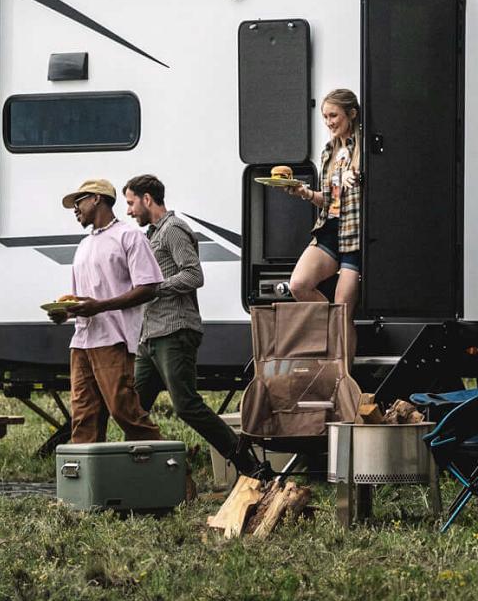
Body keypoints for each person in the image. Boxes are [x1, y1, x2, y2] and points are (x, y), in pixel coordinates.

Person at [125, 173, 270, 483]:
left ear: (147, 199)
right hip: (149, 335)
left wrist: (155, 289)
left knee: (186, 405)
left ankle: (247, 463)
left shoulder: (173, 229)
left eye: (131, 203)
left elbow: (193, 275)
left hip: (175, 331)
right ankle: (137, 477)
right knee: (133, 409)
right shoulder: (150, 235)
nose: (129, 210)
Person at [48, 177, 164, 444]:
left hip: (114, 339)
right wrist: (67, 312)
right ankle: (88, 472)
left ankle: (168, 462)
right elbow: (82, 300)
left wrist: (100, 307)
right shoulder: (84, 245)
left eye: (78, 202)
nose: (75, 209)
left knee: (124, 410)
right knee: (83, 416)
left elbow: (149, 288)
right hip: (82, 341)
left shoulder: (129, 236)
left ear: (96, 198)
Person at [283, 88, 364, 319]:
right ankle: (331, 330)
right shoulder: (329, 151)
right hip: (329, 229)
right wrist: (305, 193)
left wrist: (357, 177)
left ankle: (338, 333)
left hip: (354, 235)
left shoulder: (365, 148)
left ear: (352, 114)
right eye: (325, 117)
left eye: (334, 115)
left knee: (343, 309)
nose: (329, 122)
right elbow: (329, 201)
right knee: (298, 285)